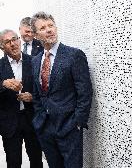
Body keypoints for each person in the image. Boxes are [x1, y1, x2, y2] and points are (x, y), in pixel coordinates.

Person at [30, 11, 93, 168]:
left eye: (51, 25)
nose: (49, 30)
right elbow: (37, 94)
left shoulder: (74, 55)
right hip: (45, 128)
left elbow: (85, 93)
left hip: (69, 128)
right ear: (36, 35)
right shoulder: (36, 60)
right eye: (43, 28)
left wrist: (78, 122)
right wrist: (39, 119)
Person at [0, 29, 43, 168]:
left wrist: (33, 97)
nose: (13, 44)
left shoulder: (35, 62)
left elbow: (44, 90)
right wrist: (3, 84)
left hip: (31, 119)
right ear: (1, 47)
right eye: (7, 42)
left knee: (36, 160)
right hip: (9, 122)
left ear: (19, 40)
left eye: (15, 39)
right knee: (13, 162)